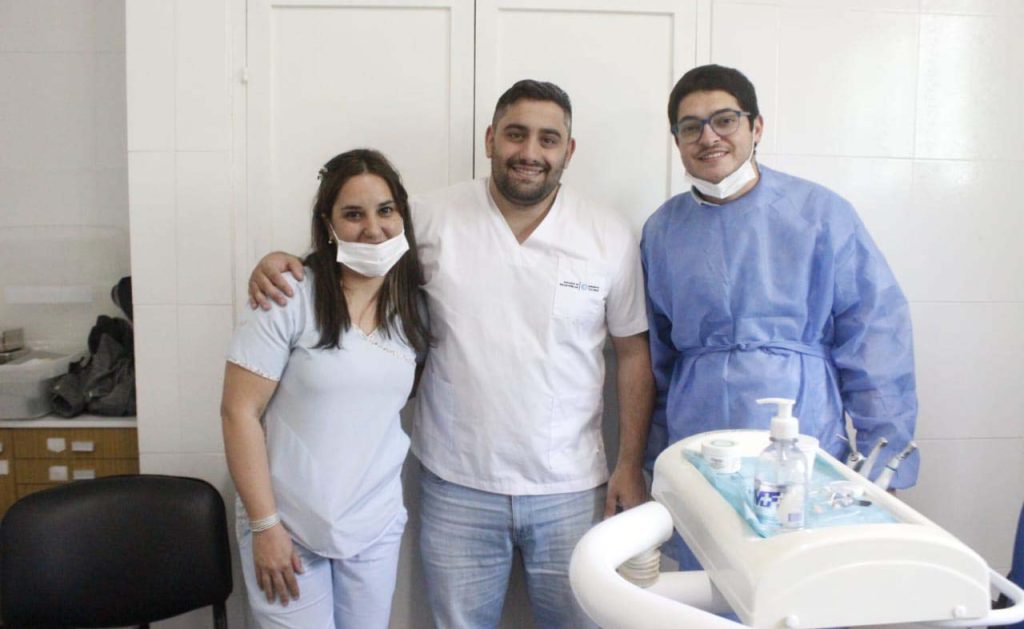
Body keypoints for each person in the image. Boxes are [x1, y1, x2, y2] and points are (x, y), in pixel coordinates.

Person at [248, 80, 654, 628]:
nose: (530, 152)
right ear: (489, 139)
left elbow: (632, 353)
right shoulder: (430, 218)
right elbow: (358, 253)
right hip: (457, 485)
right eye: (515, 134)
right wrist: (282, 263)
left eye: (548, 138)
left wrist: (628, 463)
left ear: (569, 150)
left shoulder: (608, 234)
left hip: (571, 488)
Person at [642, 64, 918, 567]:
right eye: (691, 126)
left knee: (799, 575)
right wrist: (653, 461)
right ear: (676, 140)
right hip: (697, 436)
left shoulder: (820, 214)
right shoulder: (662, 231)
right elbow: (657, 360)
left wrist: (885, 465)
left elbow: (875, 338)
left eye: (725, 120)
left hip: (801, 434)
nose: (709, 137)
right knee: (709, 578)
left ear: (756, 127)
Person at [221, 149, 430, 628]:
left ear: (402, 214)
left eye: (385, 210)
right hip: (285, 526)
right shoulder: (287, 295)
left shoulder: (412, 310)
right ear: (328, 225)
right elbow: (238, 413)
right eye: (353, 215)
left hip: (372, 524)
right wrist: (265, 526)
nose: (373, 229)